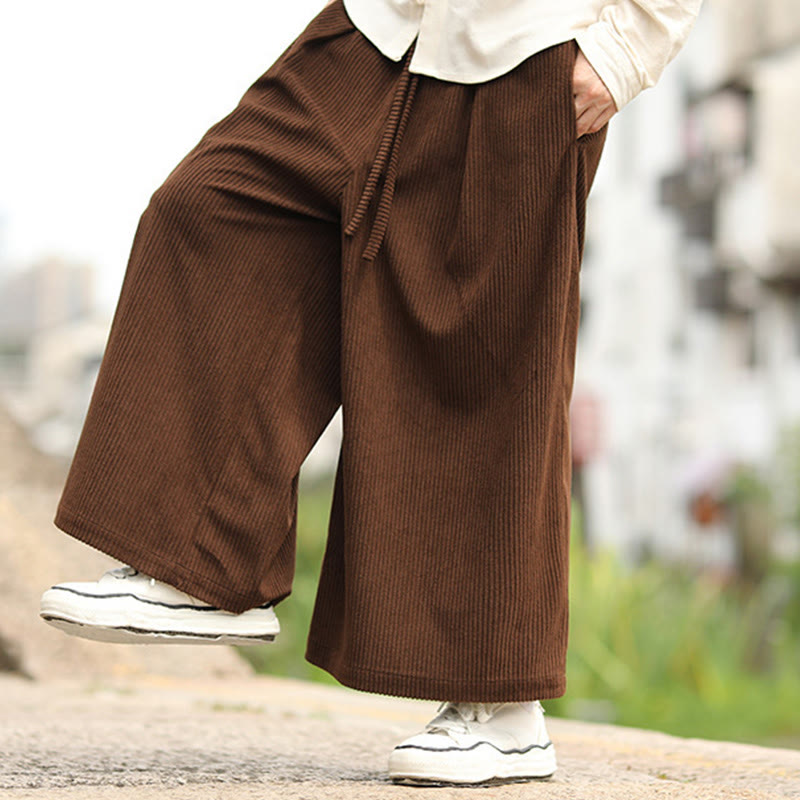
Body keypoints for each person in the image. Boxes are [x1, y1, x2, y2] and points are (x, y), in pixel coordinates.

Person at [39, 0, 703, 786]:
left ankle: (502, 712)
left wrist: (627, 48)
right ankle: (201, 564)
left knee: (477, 367)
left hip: (528, 49)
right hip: (379, 26)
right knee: (211, 210)